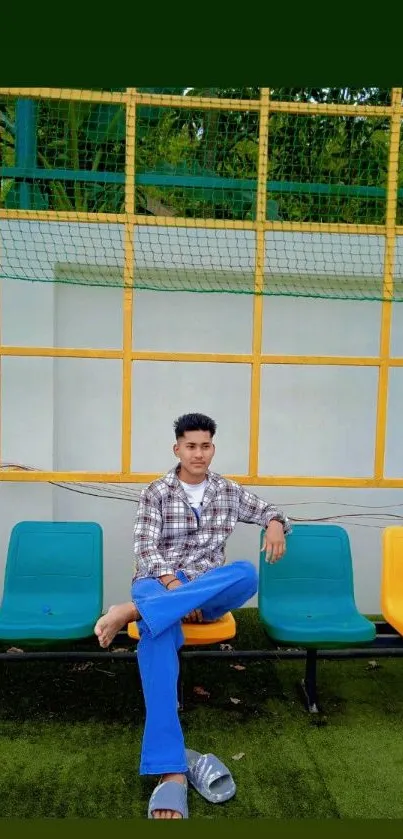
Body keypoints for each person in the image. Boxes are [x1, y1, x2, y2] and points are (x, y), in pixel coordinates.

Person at [95, 412, 290, 819]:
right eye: (191, 446)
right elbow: (145, 551)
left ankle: (132, 611)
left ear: (212, 448)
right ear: (177, 448)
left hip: (206, 590)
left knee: (245, 573)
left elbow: (267, 508)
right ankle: (171, 773)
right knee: (157, 633)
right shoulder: (157, 492)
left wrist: (274, 523)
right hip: (159, 583)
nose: (198, 453)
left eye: (205, 446)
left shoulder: (227, 491)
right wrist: (173, 589)